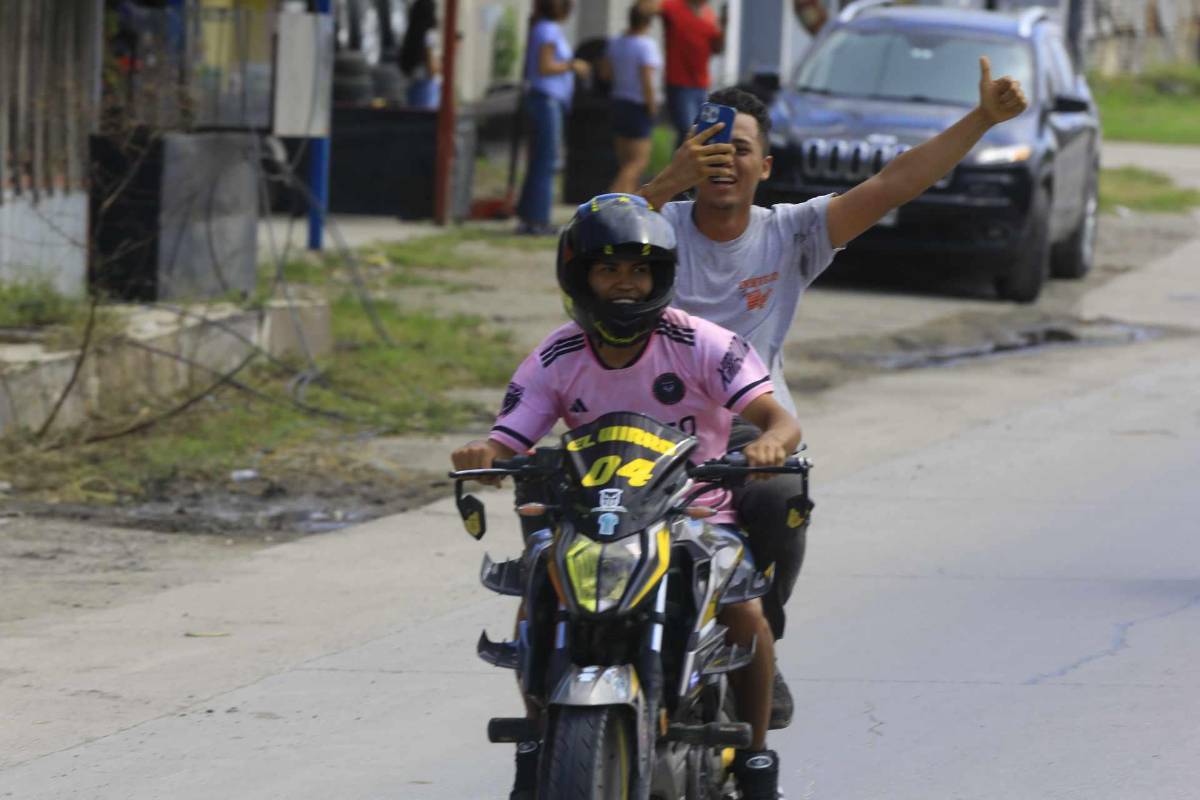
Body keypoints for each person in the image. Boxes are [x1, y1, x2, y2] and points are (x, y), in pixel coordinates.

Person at [635, 59, 1029, 722]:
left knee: (784, 492)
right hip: (645, 428)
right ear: (688, 153)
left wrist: (982, 120)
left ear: (766, 167)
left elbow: (895, 182)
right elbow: (582, 252)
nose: (724, 161)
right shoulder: (656, 226)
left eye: (741, 149)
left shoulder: (790, 234)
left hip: (748, 430)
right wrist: (664, 184)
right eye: (709, 148)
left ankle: (760, 645)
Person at [451, 193, 802, 800]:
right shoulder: (556, 356)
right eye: (609, 268)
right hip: (589, 521)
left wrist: (771, 442)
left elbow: (777, 418)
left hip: (695, 516)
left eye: (640, 270)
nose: (625, 284)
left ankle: (755, 761)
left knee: (746, 611)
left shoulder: (701, 342)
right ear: (579, 275)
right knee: (536, 599)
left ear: (660, 277)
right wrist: (484, 459)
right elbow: (507, 439)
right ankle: (537, 743)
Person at [515, 0, 590, 236]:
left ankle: (529, 216)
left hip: (545, 100)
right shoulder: (548, 29)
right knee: (547, 161)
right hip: (547, 100)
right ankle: (538, 220)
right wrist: (572, 65)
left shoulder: (543, 28)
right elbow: (545, 66)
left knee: (539, 160)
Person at [642, 0, 725, 148]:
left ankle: (685, 169)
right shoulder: (673, 6)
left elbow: (717, 48)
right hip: (678, 83)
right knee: (688, 132)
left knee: (700, 132)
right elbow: (644, 8)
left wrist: (724, 27)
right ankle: (680, 169)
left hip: (701, 84)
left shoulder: (709, 14)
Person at [603, 3, 663, 194]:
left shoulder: (616, 42)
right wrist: (652, 106)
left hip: (618, 102)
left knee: (625, 164)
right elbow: (647, 79)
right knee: (637, 163)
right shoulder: (646, 45)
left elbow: (605, 73)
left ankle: (626, 205)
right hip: (638, 106)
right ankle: (609, 204)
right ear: (649, 22)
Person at [399, 0, 441, 109]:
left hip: (412, 82)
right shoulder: (430, 34)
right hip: (427, 85)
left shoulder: (411, 34)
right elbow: (432, 67)